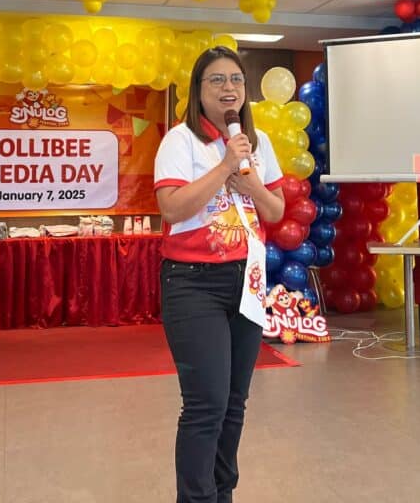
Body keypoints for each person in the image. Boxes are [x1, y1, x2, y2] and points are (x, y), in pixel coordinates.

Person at [154, 47, 286, 503]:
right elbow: (171, 208)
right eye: (216, 80)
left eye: (236, 80)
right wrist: (226, 166)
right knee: (205, 405)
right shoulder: (180, 141)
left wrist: (249, 183)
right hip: (193, 284)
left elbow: (276, 210)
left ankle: (221, 493)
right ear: (198, 90)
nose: (229, 88)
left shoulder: (260, 142)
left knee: (234, 404)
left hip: (247, 282)